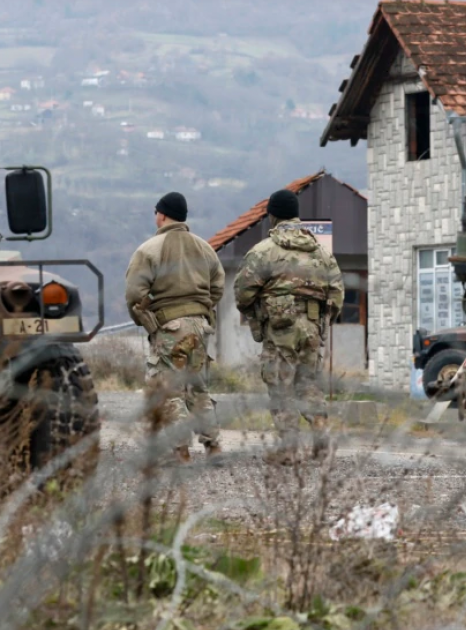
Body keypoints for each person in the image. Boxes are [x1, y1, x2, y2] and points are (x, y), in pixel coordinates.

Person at [233, 189, 344, 465]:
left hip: (281, 328)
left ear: (272, 216)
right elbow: (337, 292)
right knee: (307, 384)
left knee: (281, 387)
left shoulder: (264, 252)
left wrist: (258, 311)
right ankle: (321, 442)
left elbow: (242, 293)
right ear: (296, 216)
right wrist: (321, 321)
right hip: (312, 328)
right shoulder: (321, 253)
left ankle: (290, 450)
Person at [125, 191, 225, 463]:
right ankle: (213, 446)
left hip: (170, 327)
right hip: (200, 326)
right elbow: (217, 286)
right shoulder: (205, 248)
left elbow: (135, 293)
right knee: (197, 387)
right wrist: (201, 311)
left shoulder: (149, 250)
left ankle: (180, 450)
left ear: (162, 215)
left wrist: (148, 322)